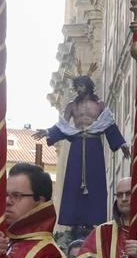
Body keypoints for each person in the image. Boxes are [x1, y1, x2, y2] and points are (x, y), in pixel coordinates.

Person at [43, 75, 130, 230]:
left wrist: (122, 144)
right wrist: (48, 131)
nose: (79, 89)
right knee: (73, 180)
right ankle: (74, 222)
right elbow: (62, 125)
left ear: (88, 86)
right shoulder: (72, 105)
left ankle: (93, 220)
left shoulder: (99, 104)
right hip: (77, 144)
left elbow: (109, 125)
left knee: (95, 180)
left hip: (93, 144)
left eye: (81, 86)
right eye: (77, 87)